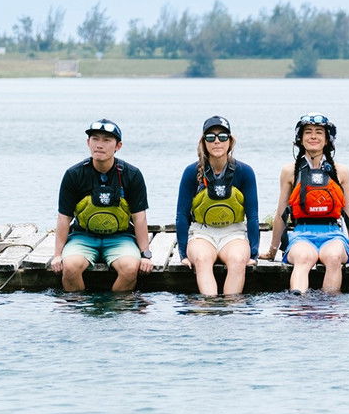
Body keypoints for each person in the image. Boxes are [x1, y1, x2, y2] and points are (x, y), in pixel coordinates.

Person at [261, 113, 349, 292]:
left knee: (333, 258)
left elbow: (348, 213)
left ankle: (329, 308)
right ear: (300, 139)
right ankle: (298, 303)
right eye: (308, 132)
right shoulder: (289, 171)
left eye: (319, 132)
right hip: (301, 233)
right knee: (303, 258)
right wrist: (272, 251)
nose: (313, 136)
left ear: (327, 140)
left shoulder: (341, 171)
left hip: (333, 234)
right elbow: (281, 214)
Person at [50, 119, 153, 291]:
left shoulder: (132, 174)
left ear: (118, 146)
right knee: (70, 267)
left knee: (129, 269)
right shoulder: (74, 174)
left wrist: (146, 255)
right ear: (88, 143)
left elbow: (139, 217)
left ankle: (115, 308)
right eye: (95, 139)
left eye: (106, 140)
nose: (99, 145)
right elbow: (64, 217)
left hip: (120, 237)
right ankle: (79, 308)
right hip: (83, 236)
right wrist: (57, 255)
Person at [175, 115, 260, 296]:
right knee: (203, 259)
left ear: (230, 141)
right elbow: (182, 215)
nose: (217, 141)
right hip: (201, 233)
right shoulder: (191, 172)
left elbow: (253, 216)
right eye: (210, 137)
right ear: (203, 142)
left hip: (234, 233)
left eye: (222, 136)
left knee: (238, 261)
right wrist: (183, 254)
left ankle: (231, 312)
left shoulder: (244, 172)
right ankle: (209, 308)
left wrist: (253, 254)